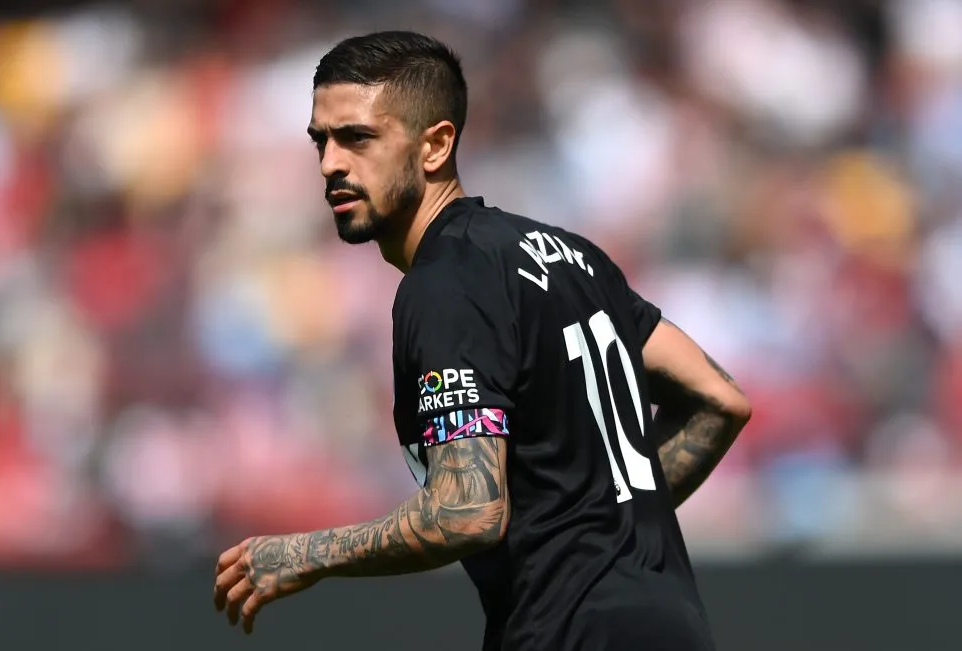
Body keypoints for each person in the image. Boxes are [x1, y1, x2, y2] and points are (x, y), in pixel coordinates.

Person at [213, 30, 752, 650]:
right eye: (321, 140)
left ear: (436, 145)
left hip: (569, 633)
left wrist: (306, 554)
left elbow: (466, 511)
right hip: (673, 627)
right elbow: (719, 399)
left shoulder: (445, 284)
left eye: (357, 138)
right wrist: (606, 523)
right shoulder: (571, 258)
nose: (331, 162)